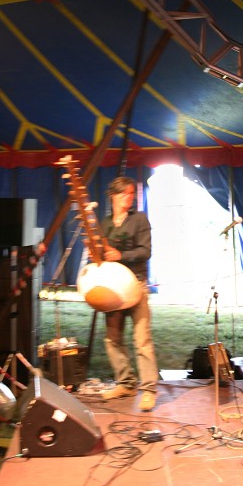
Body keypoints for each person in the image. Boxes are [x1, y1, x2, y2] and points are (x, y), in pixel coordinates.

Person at [90, 176, 157, 412]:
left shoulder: (139, 219)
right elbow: (101, 255)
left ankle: (149, 389)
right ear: (113, 195)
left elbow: (145, 251)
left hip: (136, 285)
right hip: (114, 289)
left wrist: (121, 255)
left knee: (142, 339)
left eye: (131, 194)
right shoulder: (106, 223)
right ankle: (126, 383)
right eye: (123, 194)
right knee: (113, 338)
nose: (128, 198)